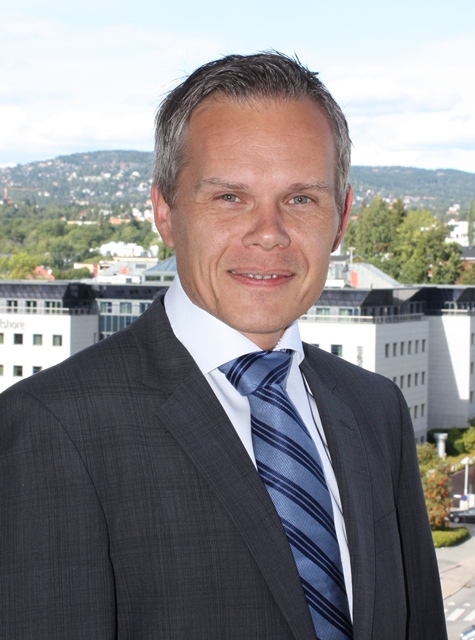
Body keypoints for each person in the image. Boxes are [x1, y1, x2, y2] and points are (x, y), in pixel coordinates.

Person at [0, 52, 447, 639]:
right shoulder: (51, 427)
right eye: (230, 197)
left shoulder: (376, 408)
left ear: (340, 218)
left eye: (301, 198)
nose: (269, 233)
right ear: (165, 211)